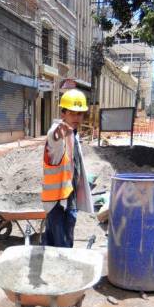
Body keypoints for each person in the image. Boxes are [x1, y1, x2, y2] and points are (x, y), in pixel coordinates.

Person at [41, 89, 93, 248]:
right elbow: (54, 136)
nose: (77, 117)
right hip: (56, 200)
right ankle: (59, 268)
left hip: (69, 196)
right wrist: (59, 131)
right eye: (72, 113)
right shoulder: (58, 133)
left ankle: (60, 262)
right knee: (60, 241)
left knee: (66, 236)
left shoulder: (74, 134)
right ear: (63, 114)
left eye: (80, 114)